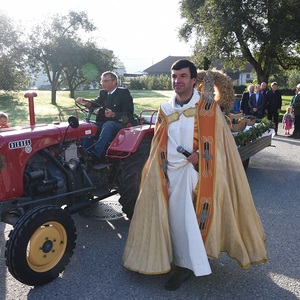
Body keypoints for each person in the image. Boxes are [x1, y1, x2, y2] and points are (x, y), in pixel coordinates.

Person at [123, 59, 268, 291]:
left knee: (184, 220)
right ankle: (165, 255)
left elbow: (223, 143)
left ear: (193, 80)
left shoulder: (208, 108)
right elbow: (159, 142)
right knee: (165, 217)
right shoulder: (165, 109)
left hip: (195, 173)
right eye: (174, 77)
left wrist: (201, 153)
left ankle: (185, 266)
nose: (177, 81)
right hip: (166, 172)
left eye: (182, 76)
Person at [76, 71, 134, 162]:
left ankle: (95, 156)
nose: (103, 83)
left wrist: (113, 114)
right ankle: (84, 152)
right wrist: (86, 103)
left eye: (106, 81)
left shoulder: (123, 93)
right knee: (88, 126)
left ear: (114, 81)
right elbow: (96, 103)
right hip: (104, 124)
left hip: (120, 124)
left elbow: (129, 115)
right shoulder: (103, 93)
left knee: (109, 124)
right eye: (102, 81)